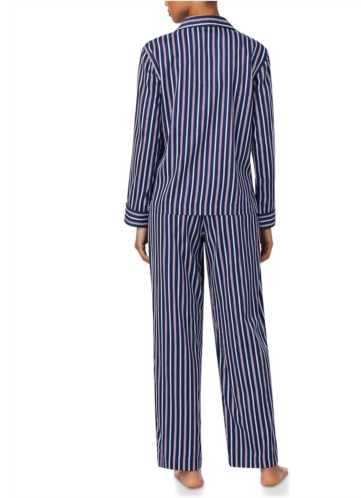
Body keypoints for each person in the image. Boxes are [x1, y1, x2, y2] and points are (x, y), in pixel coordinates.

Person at [124, 0, 288, 489]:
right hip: (235, 208)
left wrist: (138, 216)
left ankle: (185, 461)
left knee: (174, 331)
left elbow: (146, 140)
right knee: (244, 329)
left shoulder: (157, 54)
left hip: (170, 209)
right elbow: (264, 144)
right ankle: (265, 461)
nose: (162, 2)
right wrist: (264, 215)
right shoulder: (252, 54)